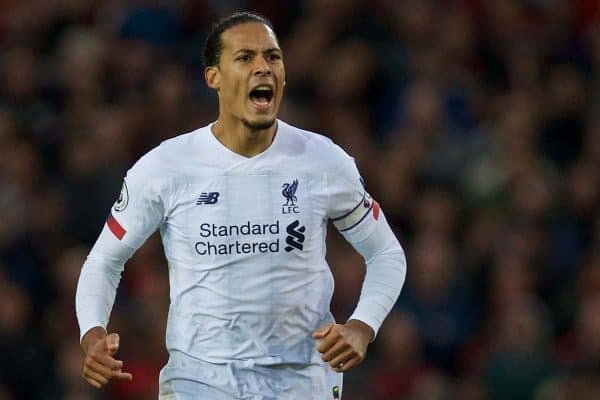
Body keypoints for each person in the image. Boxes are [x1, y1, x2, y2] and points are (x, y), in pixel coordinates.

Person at [75, 11, 407, 399]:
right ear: (213, 77)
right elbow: (104, 261)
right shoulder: (165, 167)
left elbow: (386, 252)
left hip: (302, 381)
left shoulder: (323, 162)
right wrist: (92, 334)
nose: (263, 68)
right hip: (199, 381)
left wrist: (362, 327)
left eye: (273, 57)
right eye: (246, 57)